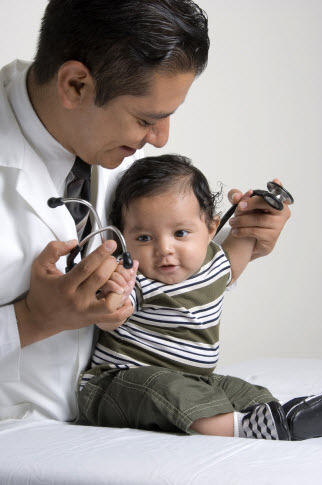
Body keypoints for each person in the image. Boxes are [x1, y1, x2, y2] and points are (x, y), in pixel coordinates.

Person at [0, 0, 290, 423]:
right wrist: (33, 319)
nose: (160, 139)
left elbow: (164, 279)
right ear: (76, 85)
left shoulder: (112, 146)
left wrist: (244, 239)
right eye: (146, 119)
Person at [77, 155, 322, 441]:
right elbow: (110, 317)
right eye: (144, 238)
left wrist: (263, 206)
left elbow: (246, 234)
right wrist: (114, 292)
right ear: (124, 239)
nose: (164, 249)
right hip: (119, 384)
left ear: (210, 229)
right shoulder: (137, 277)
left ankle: (281, 417)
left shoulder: (216, 264)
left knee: (243, 391)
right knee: (165, 389)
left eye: (180, 233)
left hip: (193, 379)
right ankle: (241, 428)